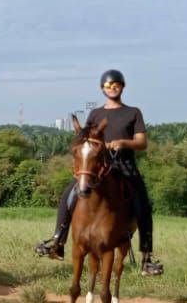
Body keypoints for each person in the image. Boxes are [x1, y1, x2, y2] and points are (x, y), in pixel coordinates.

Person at [35, 70, 164, 276]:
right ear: (102, 89)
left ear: (122, 86)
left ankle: (147, 257)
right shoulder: (95, 114)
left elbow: (142, 142)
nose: (112, 88)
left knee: (143, 204)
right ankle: (58, 240)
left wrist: (123, 143)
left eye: (116, 85)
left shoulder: (133, 112)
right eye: (108, 85)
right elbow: (86, 137)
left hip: (124, 167)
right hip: (97, 168)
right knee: (68, 196)